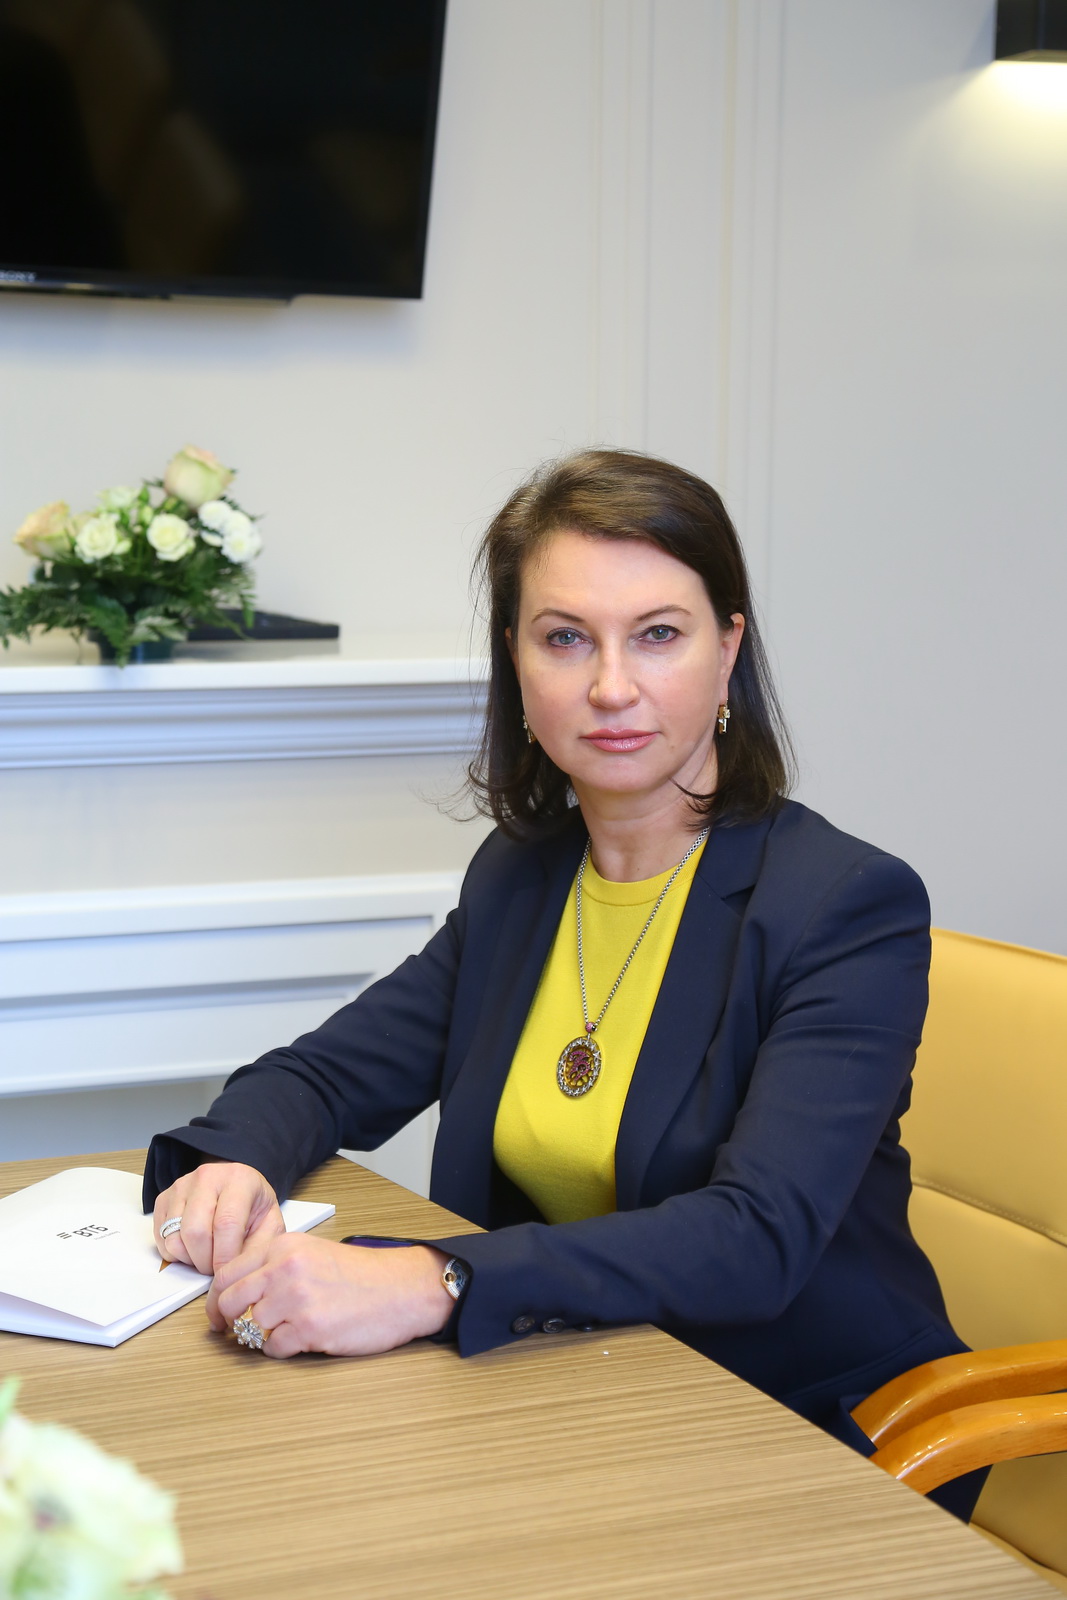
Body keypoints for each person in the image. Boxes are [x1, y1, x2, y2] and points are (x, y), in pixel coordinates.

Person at [144, 449, 981, 1518]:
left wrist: (434, 1278)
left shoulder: (844, 904)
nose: (611, 686)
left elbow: (753, 1237)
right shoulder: (524, 877)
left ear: (728, 650)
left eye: (658, 634)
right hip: (577, 1398)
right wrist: (231, 1164)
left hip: (807, 1429)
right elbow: (326, 1075)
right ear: (515, 657)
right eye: (564, 637)